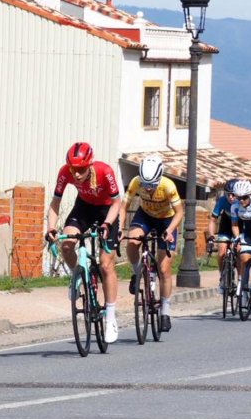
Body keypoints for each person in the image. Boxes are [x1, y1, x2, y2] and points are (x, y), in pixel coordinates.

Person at [45, 142, 123, 343]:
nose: (76, 174)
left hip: (107, 211)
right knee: (67, 244)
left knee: (106, 264)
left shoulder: (104, 171)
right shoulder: (66, 172)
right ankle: (78, 275)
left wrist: (107, 224)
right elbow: (55, 203)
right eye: (73, 169)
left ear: (89, 164)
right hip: (84, 207)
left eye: (80, 170)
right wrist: (51, 228)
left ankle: (111, 318)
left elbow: (117, 203)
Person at [120, 154, 183, 332]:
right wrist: (119, 228)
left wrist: (169, 231)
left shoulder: (168, 186)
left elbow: (179, 213)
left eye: (152, 185)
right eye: (145, 185)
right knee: (132, 241)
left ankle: (165, 311)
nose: (147, 189)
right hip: (145, 215)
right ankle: (136, 273)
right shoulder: (135, 182)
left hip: (166, 220)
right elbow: (123, 207)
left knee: (164, 269)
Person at [207, 178, 241, 293]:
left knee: (239, 250)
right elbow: (212, 220)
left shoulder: (242, 201)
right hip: (226, 225)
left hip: (240, 225)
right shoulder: (221, 201)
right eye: (228, 194)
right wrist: (211, 236)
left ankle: (240, 280)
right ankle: (222, 277)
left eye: (233, 194)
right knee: (221, 251)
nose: (230, 197)